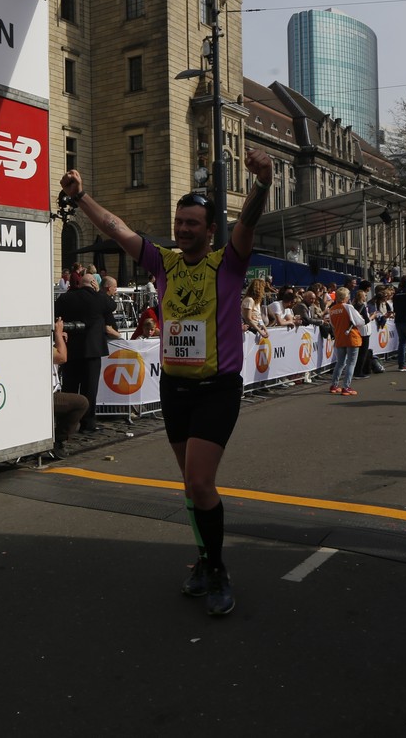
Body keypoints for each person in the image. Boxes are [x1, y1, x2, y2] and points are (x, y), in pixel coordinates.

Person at [59, 144, 274, 617]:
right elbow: (116, 227)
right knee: (190, 486)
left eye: (192, 223)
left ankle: (217, 570)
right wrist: (79, 197)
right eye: (179, 222)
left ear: (211, 230)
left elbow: (248, 221)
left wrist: (262, 182)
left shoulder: (228, 262)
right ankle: (204, 560)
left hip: (217, 388)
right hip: (175, 388)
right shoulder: (164, 263)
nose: (183, 229)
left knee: (200, 482)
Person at [53, 270, 114, 434]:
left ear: (80, 284)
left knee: (70, 387)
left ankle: (66, 424)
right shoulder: (99, 298)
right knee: (90, 389)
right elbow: (111, 306)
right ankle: (88, 422)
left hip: (71, 349)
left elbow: (56, 312)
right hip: (92, 350)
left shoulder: (67, 298)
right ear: (94, 284)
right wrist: (99, 291)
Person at [50, 317, 89, 459]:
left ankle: (55, 437)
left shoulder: (46, 343)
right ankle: (58, 441)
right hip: (47, 395)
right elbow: (62, 358)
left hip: (52, 391)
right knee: (81, 403)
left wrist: (58, 339)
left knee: (73, 416)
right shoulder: (39, 344)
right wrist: (58, 335)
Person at [327, 287, 364, 396]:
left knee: (340, 363)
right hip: (351, 337)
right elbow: (360, 322)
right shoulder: (348, 307)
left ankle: (334, 385)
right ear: (346, 297)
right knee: (351, 363)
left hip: (339, 337)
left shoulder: (332, 310)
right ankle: (346, 387)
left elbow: (332, 325)